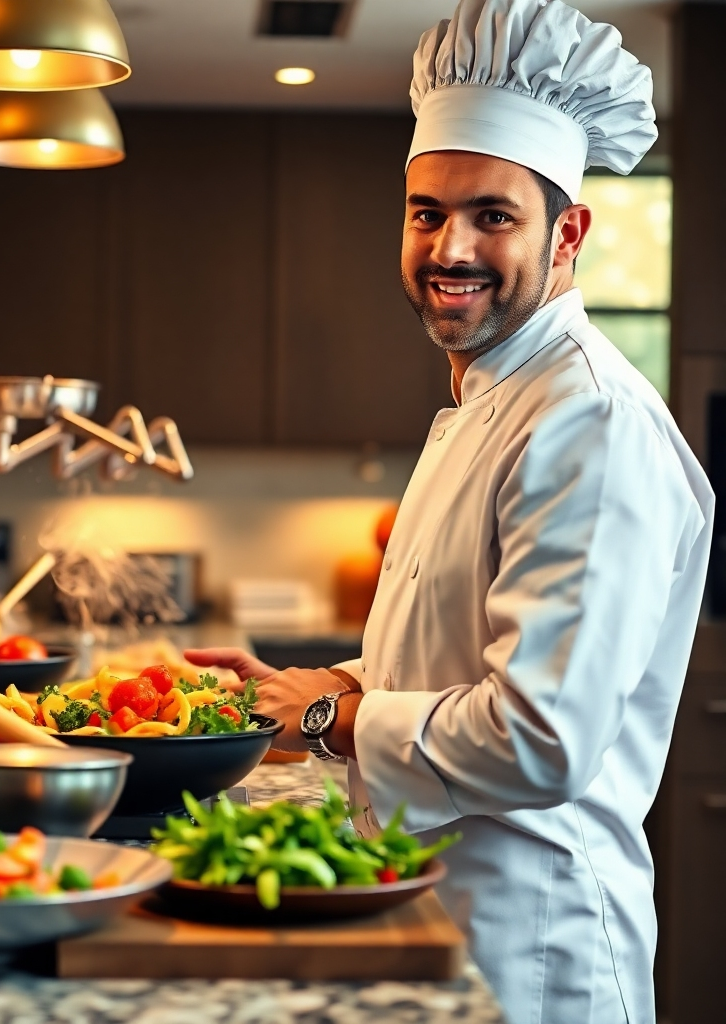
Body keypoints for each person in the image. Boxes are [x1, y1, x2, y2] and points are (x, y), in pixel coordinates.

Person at [186, 1, 714, 1021]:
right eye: (427, 212)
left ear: (568, 233)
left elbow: (537, 739)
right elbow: (453, 662)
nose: (449, 246)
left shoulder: (586, 424)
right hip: (437, 915)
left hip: (534, 950)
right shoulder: (487, 400)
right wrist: (317, 684)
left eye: (492, 216)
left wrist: (330, 718)